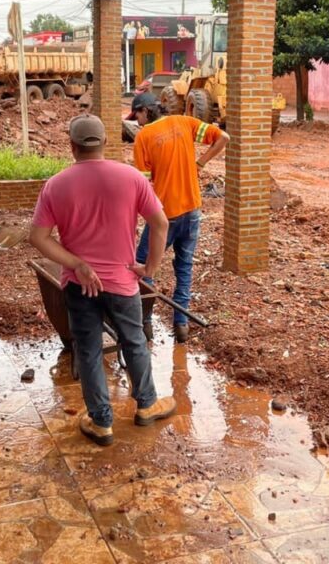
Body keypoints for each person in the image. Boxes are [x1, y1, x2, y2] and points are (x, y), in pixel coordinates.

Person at [30, 114, 175, 446]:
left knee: (89, 350)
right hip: (122, 283)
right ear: (105, 142)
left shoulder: (56, 184)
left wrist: (77, 263)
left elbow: (38, 237)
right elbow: (161, 223)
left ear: (72, 145)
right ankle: (147, 406)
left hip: (79, 286)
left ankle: (101, 423)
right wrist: (150, 268)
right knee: (134, 342)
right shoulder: (131, 178)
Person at [131, 92, 229, 343]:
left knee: (144, 266)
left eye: (137, 116)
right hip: (192, 210)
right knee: (184, 267)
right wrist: (200, 163)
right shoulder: (186, 122)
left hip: (165, 215)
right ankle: (181, 325)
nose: (137, 121)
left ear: (145, 111)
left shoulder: (144, 136)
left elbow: (143, 183)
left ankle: (145, 324)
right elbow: (223, 137)